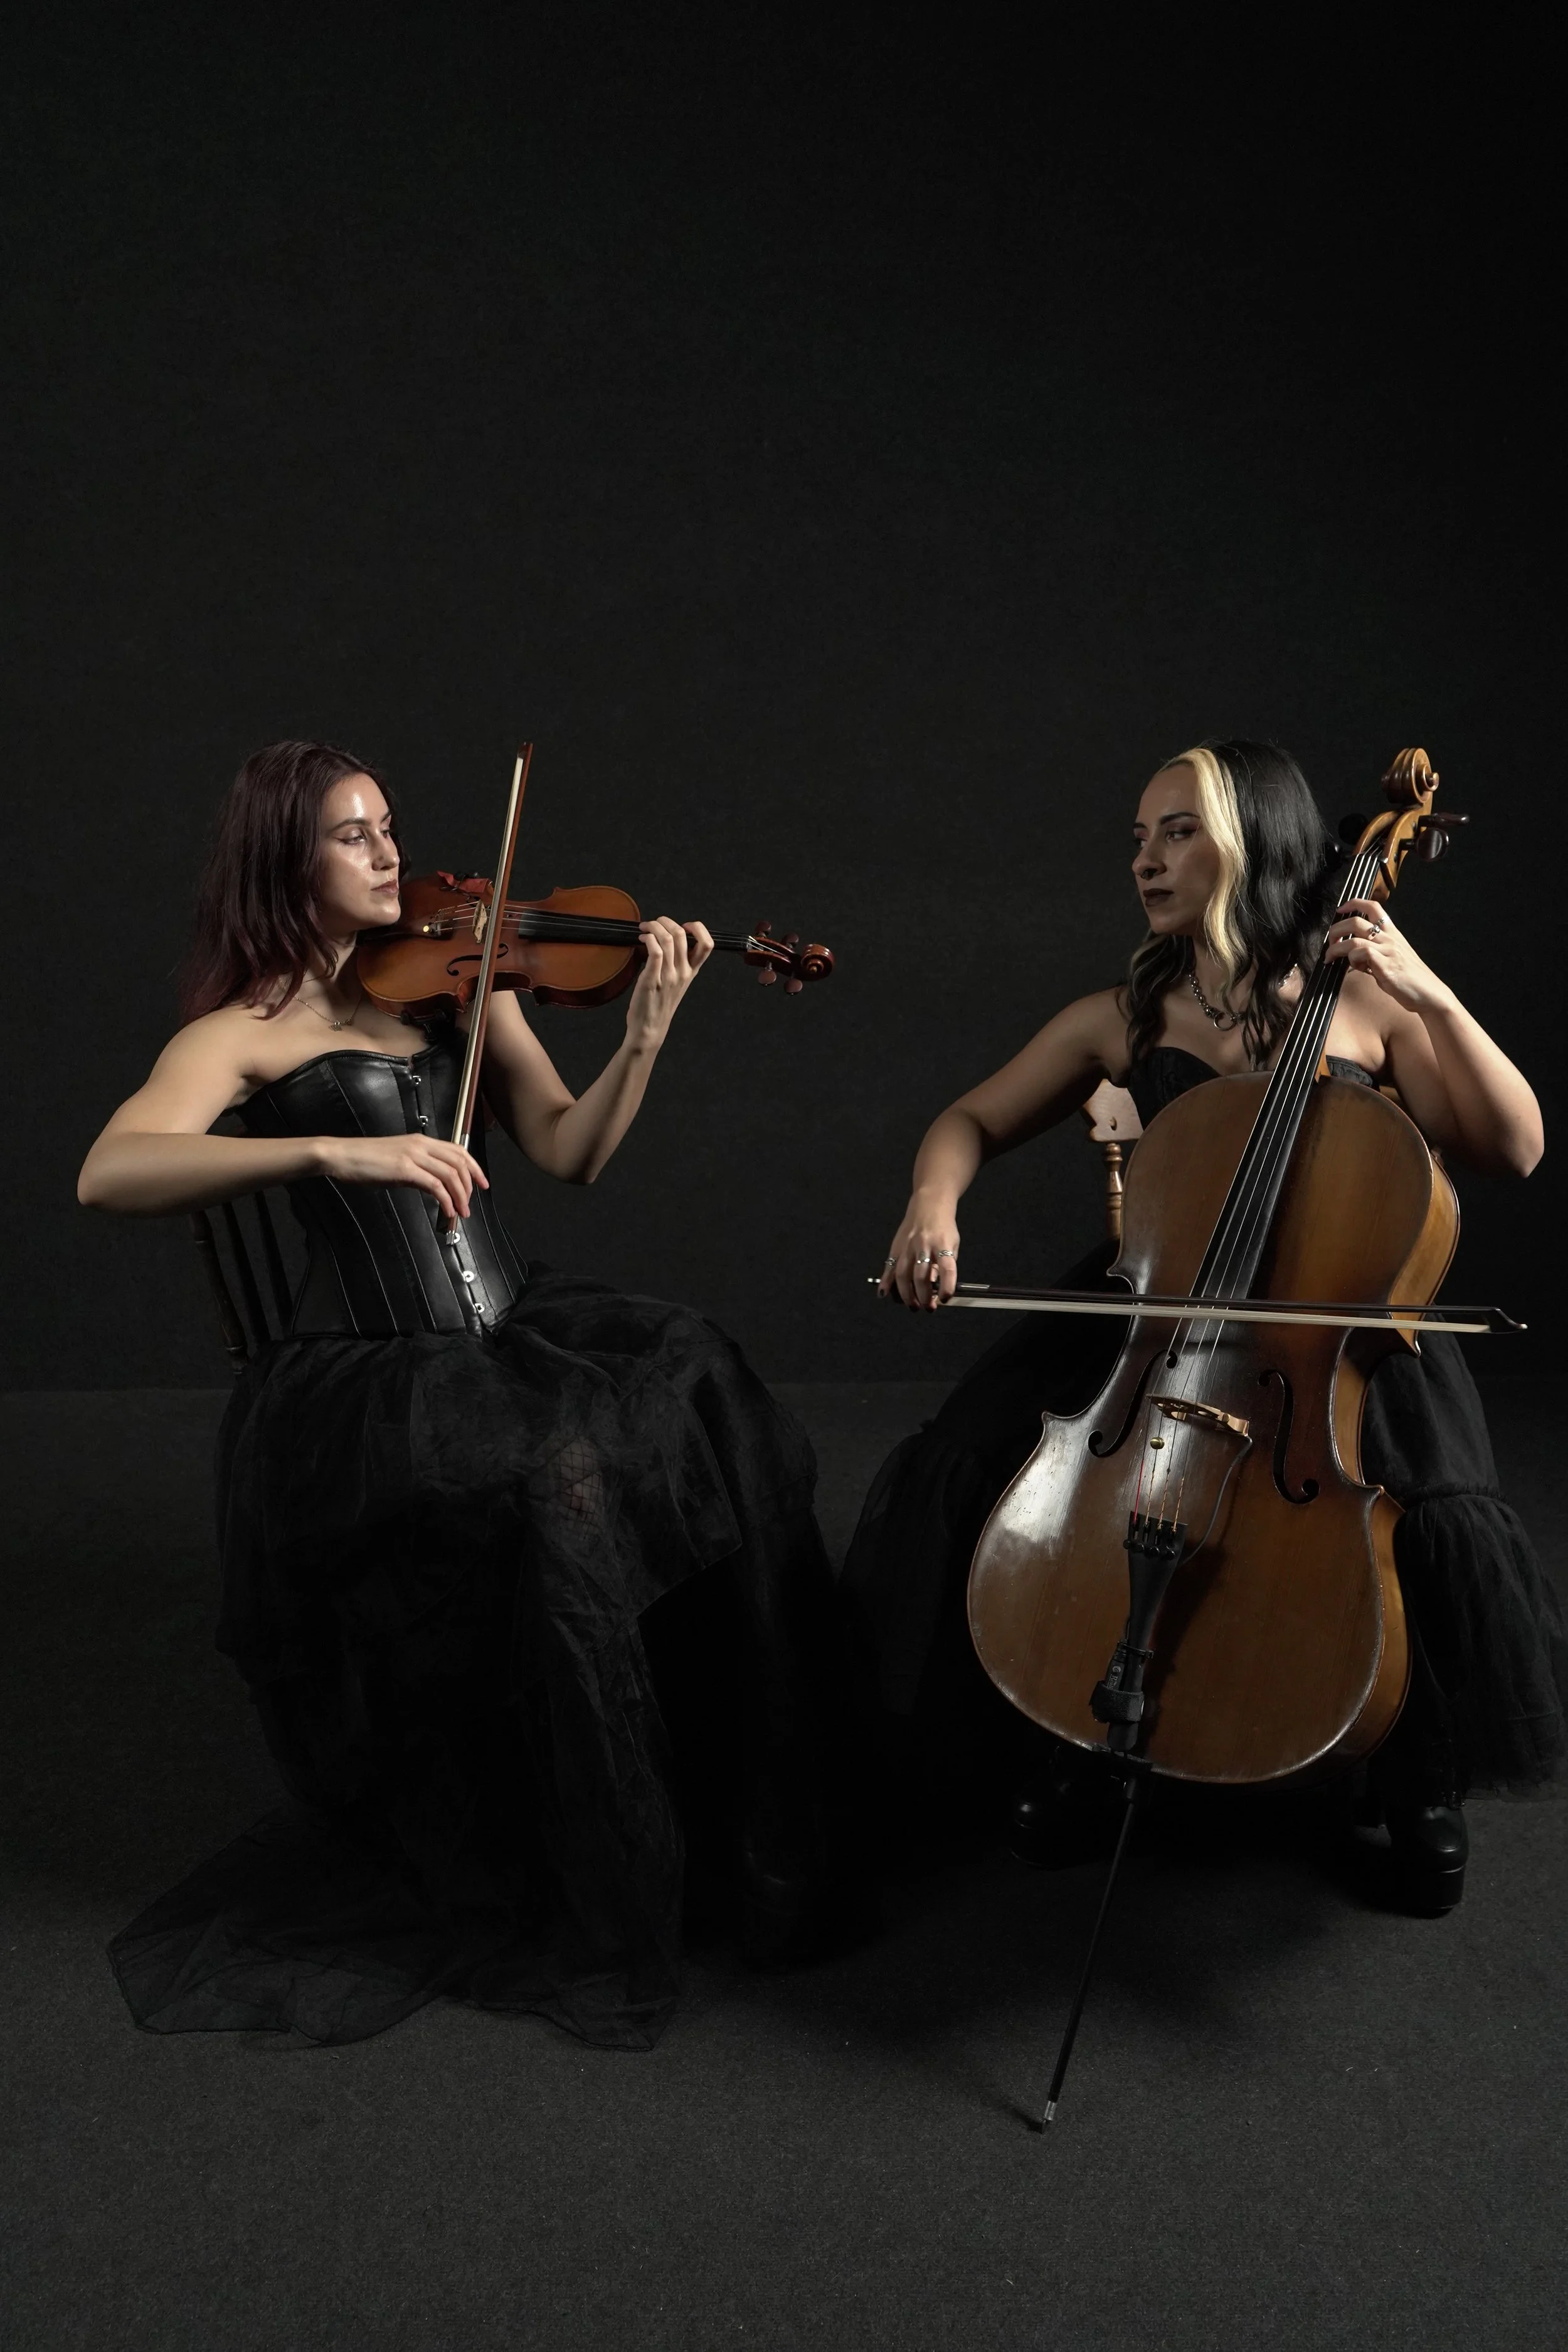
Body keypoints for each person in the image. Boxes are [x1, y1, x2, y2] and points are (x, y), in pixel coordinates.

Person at [79, 739, 849, 2049]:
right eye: (351, 835)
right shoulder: (246, 1033)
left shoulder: (464, 983)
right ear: (285, 860)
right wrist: (335, 1146)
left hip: (505, 1331)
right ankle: (556, 1834)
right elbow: (108, 1171)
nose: (390, 854)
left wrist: (647, 1034)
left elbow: (571, 1152)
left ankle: (711, 1797)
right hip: (370, 1379)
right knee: (557, 1483)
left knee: (692, 1386)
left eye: (388, 826)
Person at [847, 739, 1561, 1912]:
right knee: (993, 1452)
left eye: (1174, 830)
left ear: (1253, 837)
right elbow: (967, 1120)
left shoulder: (1371, 1007)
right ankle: (1085, 1733)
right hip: (1171, 1306)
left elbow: (1517, 1144)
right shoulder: (1124, 1017)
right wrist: (932, 1205)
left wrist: (1426, 985)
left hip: (1334, 1325)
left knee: (1424, 1509)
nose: (1145, 858)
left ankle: (1413, 1771)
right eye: (1137, 837)